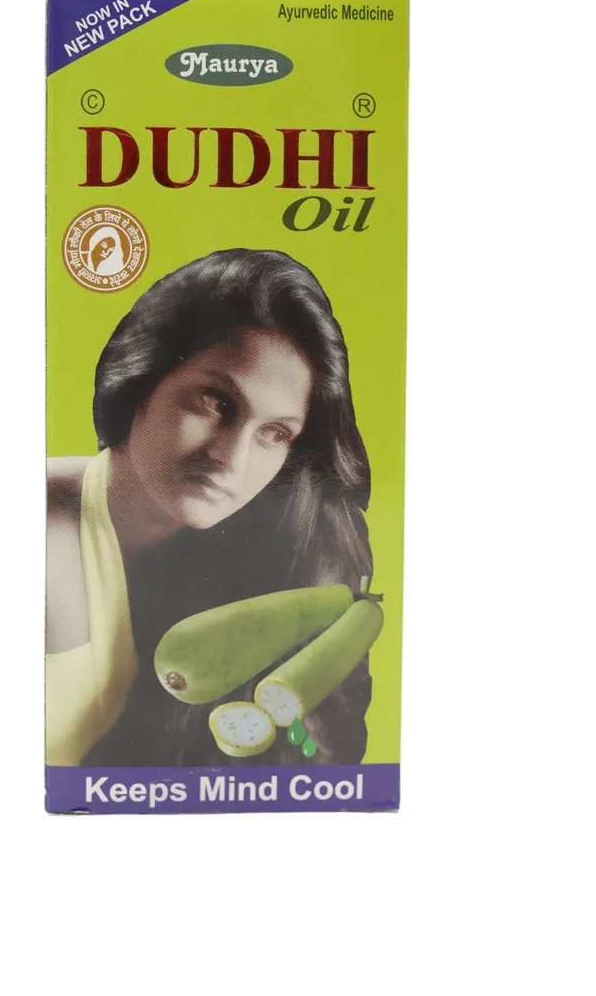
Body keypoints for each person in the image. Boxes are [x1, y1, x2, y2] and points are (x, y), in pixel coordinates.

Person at [45, 248, 374, 766]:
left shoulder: (240, 568)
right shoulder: (45, 527)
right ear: (142, 379)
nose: (231, 459)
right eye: (217, 402)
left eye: (274, 433)